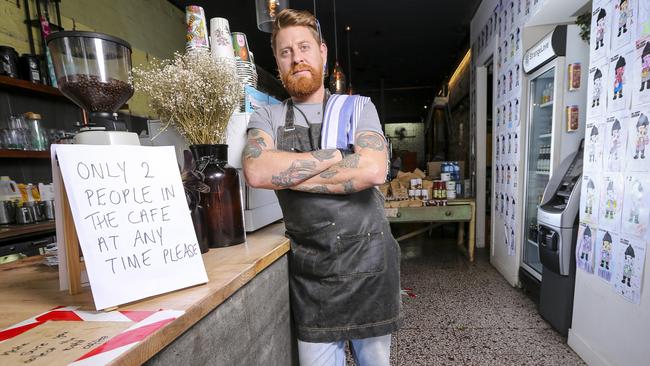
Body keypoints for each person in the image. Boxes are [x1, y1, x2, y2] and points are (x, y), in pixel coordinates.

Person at [242, 9, 401, 366]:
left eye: (303, 47)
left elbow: (373, 170)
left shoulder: (358, 108)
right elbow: (257, 170)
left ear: (323, 53)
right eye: (285, 52)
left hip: (369, 267)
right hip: (313, 276)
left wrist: (291, 174)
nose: (296, 58)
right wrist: (334, 157)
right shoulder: (266, 116)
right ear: (279, 63)